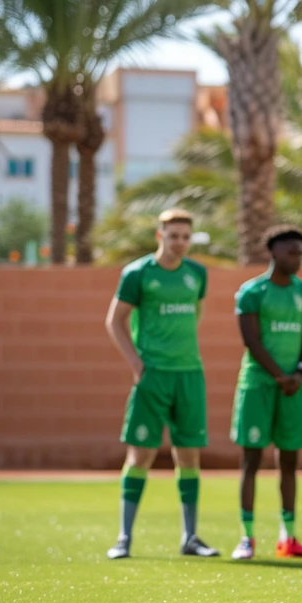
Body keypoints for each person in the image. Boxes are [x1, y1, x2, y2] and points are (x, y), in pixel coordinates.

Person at [103, 208, 218, 559]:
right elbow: (114, 321)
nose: (180, 243)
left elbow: (195, 316)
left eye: (186, 237)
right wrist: (137, 362)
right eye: (173, 236)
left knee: (189, 455)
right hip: (152, 376)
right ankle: (123, 538)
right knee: (140, 455)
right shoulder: (137, 273)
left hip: (189, 375)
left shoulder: (197, 273)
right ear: (160, 236)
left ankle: (191, 537)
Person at [229, 225, 302, 560]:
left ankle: (289, 537)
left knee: (290, 462)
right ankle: (247, 538)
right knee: (251, 461)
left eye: (301, 252)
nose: (297, 258)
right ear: (274, 253)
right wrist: (278, 376)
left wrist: (299, 373)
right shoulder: (251, 292)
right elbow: (251, 341)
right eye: (291, 252)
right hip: (257, 386)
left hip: (293, 387)